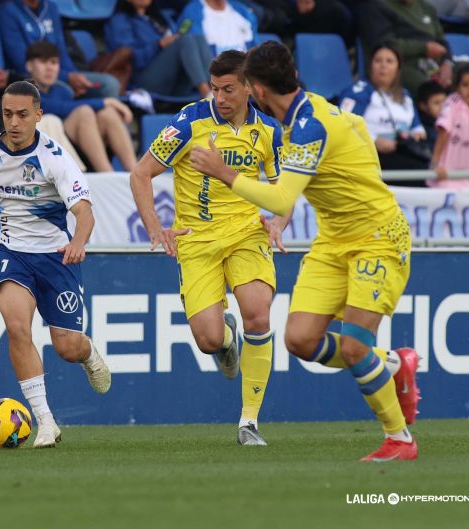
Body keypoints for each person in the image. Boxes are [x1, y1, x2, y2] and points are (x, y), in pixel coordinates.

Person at [190, 41, 421, 462]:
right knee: (299, 339)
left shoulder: (310, 125)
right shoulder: (308, 114)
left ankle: (399, 439)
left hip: (377, 238)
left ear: (256, 90)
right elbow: (357, 129)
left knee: (353, 346)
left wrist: (224, 173)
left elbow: (280, 200)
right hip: (334, 241)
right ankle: (393, 365)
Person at [129, 50, 283, 445]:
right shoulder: (189, 123)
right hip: (196, 241)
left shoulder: (268, 131)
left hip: (247, 233)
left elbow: (286, 191)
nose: (221, 98)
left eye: (229, 89)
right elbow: (141, 173)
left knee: (257, 314)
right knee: (209, 339)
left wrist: (278, 222)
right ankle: (227, 340)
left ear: (250, 87)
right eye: (215, 89)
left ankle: (249, 422)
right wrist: (154, 229)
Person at [0, 81, 112, 448]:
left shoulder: (55, 158)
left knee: (67, 347)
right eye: (7, 114)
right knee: (17, 328)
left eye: (22, 114)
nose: (14, 122)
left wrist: (78, 242)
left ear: (38, 114)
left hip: (55, 257)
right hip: (11, 254)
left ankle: (88, 352)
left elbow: (84, 212)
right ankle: (45, 421)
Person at [26, 41, 138, 172]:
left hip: (76, 146)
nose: (49, 68)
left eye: (54, 62)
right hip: (48, 153)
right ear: (29, 66)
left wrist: (107, 105)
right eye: (43, 62)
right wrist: (105, 102)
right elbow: (56, 108)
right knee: (83, 112)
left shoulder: (63, 89)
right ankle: (107, 173)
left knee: (108, 114)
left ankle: (136, 173)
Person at [0, 0, 121, 98]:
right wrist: (67, 78)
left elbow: (61, 50)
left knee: (109, 84)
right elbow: (21, 62)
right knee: (65, 92)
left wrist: (75, 75)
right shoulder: (7, 11)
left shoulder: (51, 7)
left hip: (58, 72)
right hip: (30, 76)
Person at [339, 44, 429, 171]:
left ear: (398, 68)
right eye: (378, 61)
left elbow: (417, 126)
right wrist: (373, 140)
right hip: (367, 155)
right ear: (370, 66)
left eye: (389, 61)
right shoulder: (358, 91)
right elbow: (343, 124)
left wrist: (417, 135)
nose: (383, 65)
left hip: (402, 153)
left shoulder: (405, 96)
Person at [105, 0, 214, 98]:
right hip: (144, 82)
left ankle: (216, 88)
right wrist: (158, 45)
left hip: (175, 83)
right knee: (186, 41)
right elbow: (127, 57)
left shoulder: (160, 17)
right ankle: (207, 94)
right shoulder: (120, 20)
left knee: (197, 37)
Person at [359, 0, 450, 98]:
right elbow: (385, 44)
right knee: (428, 90)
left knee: (462, 79)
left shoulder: (426, 8)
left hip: (432, 65)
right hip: (400, 64)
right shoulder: (378, 5)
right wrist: (423, 48)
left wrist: (447, 63)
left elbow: (442, 41)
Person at [430, 62, 469, 188]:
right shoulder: (452, 103)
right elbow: (443, 132)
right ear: (457, 87)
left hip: (466, 173)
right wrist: (435, 164)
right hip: (444, 172)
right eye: (465, 85)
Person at [177, 0, 259, 54]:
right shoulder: (192, 11)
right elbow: (196, 50)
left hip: (245, 72)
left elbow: (254, 47)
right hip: (212, 74)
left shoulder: (243, 11)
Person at [416, 80, 448, 150]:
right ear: (423, 106)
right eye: (437, 103)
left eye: (445, 102)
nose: (442, 107)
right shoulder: (422, 130)